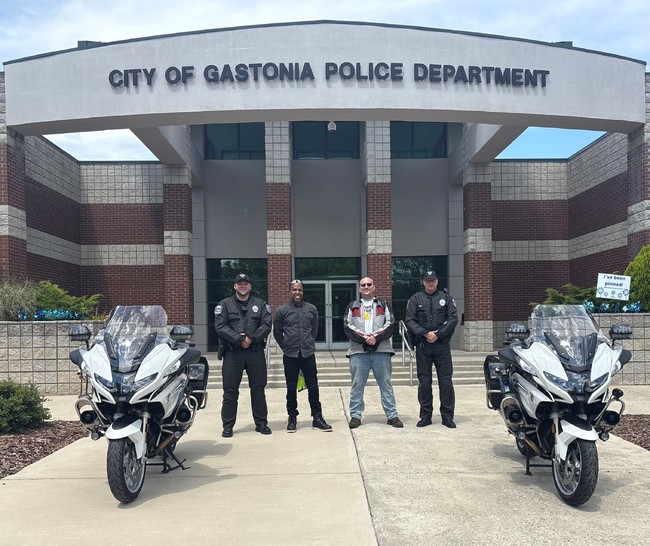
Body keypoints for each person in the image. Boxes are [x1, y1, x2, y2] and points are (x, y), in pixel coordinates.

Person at [214, 273, 272, 437]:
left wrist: (251, 338)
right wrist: (239, 339)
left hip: (255, 352)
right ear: (235, 286)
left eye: (245, 284)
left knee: (258, 390)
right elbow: (220, 327)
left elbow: (267, 324)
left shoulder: (260, 304)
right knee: (230, 392)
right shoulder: (224, 305)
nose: (243, 286)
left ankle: (261, 423)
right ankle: (228, 426)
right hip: (233, 354)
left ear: (250, 286)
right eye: (240, 284)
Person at [343, 276, 403, 429]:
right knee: (357, 385)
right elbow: (347, 326)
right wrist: (365, 338)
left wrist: (375, 338)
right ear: (359, 288)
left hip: (381, 351)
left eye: (369, 284)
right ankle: (355, 416)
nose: (366, 287)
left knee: (386, 384)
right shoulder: (352, 306)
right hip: (358, 352)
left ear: (374, 287)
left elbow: (390, 324)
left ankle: (392, 416)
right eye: (363, 285)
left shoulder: (384, 304)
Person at [273, 279, 332, 433]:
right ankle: (292, 417)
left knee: (313, 386)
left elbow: (314, 330)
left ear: (302, 291)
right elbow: (277, 333)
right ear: (290, 291)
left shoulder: (311, 309)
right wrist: (286, 346)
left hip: (307, 354)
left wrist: (309, 342)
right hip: (290, 355)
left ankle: (317, 417)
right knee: (291, 387)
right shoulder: (281, 311)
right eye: (294, 290)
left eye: (299, 290)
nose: (297, 292)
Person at [405, 270, 459, 428]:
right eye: (427, 280)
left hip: (442, 345)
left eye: (432, 280)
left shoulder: (446, 298)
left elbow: (453, 318)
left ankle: (447, 417)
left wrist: (439, 334)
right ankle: (425, 416)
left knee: (446, 382)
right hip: (423, 346)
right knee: (424, 382)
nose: (430, 283)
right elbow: (409, 319)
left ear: (437, 282)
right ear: (423, 282)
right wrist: (425, 333)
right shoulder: (415, 299)